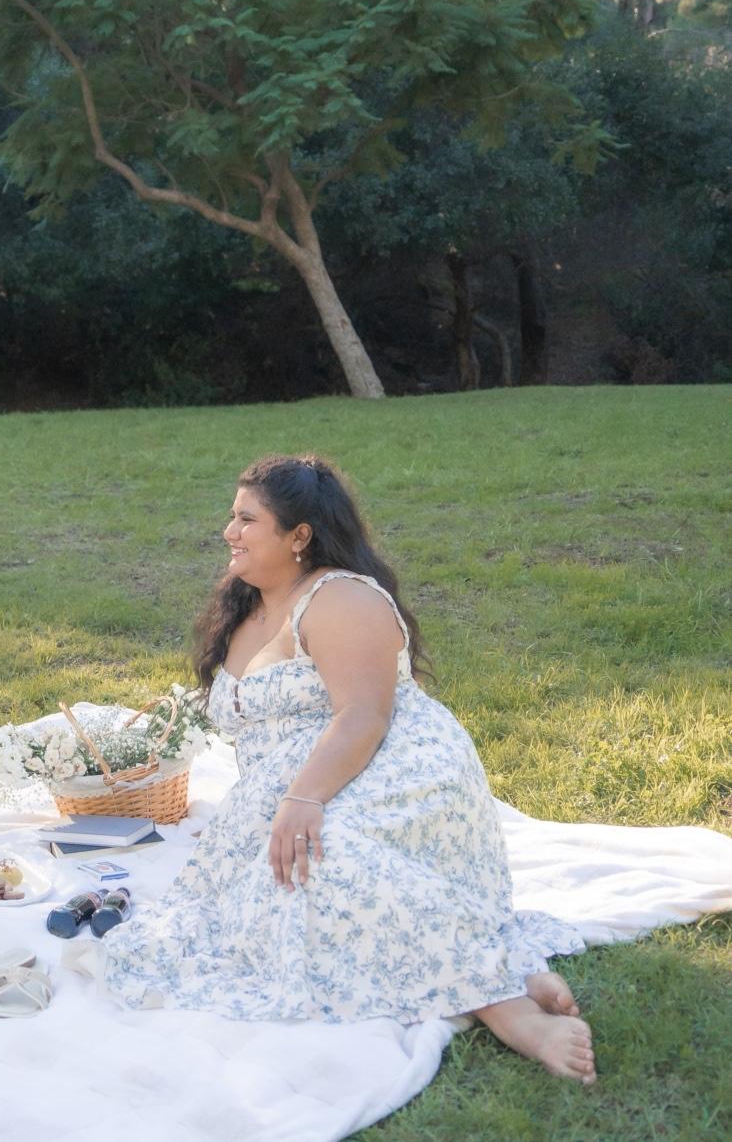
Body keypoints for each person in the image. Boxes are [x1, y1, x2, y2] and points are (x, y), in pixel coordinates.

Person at [97, 454, 597, 1084]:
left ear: (299, 536)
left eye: (247, 520)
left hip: (396, 764)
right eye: (233, 517)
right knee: (274, 894)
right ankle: (508, 969)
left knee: (324, 862)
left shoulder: (339, 598)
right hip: (303, 780)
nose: (229, 532)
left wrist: (301, 801)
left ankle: (509, 1011)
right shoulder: (247, 604)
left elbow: (364, 716)